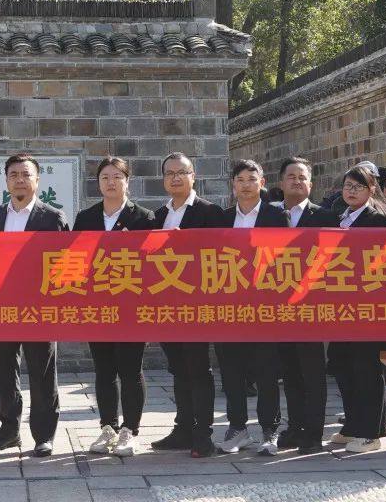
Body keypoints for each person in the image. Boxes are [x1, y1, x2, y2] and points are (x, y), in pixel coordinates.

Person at [0, 153, 69, 457]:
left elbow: (64, 265)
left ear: (37, 180)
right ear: (6, 180)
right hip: (1, 307)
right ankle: (8, 430)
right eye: (14, 174)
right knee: (5, 371)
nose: (20, 179)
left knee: (43, 373)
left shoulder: (52, 217)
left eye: (26, 174)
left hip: (39, 308)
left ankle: (44, 435)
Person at [74, 156, 154, 458]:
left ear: (127, 181)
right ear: (98, 183)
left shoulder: (143, 218)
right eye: (105, 177)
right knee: (104, 369)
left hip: (132, 306)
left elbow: (153, 262)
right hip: (98, 306)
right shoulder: (86, 218)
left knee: (131, 369)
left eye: (117, 177)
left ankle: (129, 430)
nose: (111, 182)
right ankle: (107, 426)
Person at [149, 152, 222, 458]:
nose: (175, 178)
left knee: (198, 369)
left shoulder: (210, 212)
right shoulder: (157, 215)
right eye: (169, 173)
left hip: (198, 304)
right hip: (168, 305)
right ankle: (183, 429)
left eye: (182, 172)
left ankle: (203, 434)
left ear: (194, 176)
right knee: (178, 369)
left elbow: (221, 255)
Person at [215, 159, 288, 456]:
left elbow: (285, 258)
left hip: (264, 307)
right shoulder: (222, 218)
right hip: (229, 308)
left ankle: (270, 430)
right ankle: (237, 428)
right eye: (240, 179)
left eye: (251, 178)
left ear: (262, 182)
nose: (246, 184)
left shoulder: (276, 215)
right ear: (233, 185)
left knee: (266, 372)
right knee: (232, 372)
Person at [273, 157, 339, 455]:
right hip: (278, 308)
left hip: (312, 308)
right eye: (291, 176)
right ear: (281, 182)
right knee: (289, 373)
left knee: (313, 373)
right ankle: (295, 426)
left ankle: (313, 432)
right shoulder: (268, 216)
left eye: (302, 177)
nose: (296, 181)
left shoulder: (325, 216)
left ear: (310, 184)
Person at [328, 165, 386, 453]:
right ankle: (354, 423)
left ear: (371, 190)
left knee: (365, 366)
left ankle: (371, 431)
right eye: (348, 185)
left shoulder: (377, 219)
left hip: (366, 304)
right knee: (342, 363)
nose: (351, 191)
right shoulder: (339, 217)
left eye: (358, 186)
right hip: (340, 304)